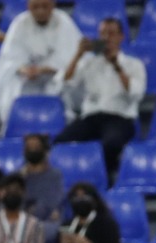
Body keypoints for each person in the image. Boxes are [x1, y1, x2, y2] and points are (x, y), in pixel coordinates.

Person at [57, 17, 145, 184]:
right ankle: (69, 180)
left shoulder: (133, 64)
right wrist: (78, 54)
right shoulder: (88, 62)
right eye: (103, 33)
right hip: (91, 118)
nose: (106, 38)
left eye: (111, 33)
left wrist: (116, 65)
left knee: (111, 143)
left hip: (120, 118)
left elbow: (135, 93)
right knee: (60, 142)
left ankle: (104, 179)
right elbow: (65, 83)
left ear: (121, 37)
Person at [0, 0, 82, 127]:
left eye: (45, 6)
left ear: (53, 5)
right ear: (28, 6)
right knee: (12, 86)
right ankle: (16, 127)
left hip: (54, 78)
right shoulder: (19, 23)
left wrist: (44, 69)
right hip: (27, 80)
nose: (40, 11)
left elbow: (69, 58)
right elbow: (10, 58)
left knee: (64, 84)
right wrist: (24, 69)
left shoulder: (64, 22)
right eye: (35, 7)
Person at [20, 133, 64, 234]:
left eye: (36, 147)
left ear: (45, 150)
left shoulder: (54, 176)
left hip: (45, 226)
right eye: (29, 147)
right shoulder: (18, 177)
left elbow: (51, 207)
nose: (32, 150)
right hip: (19, 225)